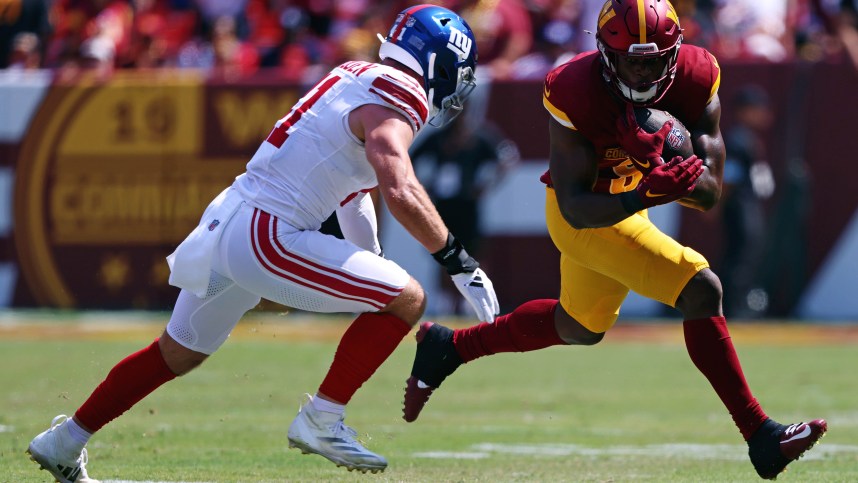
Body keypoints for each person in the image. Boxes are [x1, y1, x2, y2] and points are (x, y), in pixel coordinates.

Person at [26, 4, 498, 481]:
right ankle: (322, 419)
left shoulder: (356, 74)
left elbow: (351, 192)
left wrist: (370, 263)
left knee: (179, 351)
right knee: (408, 298)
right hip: (268, 234)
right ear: (436, 60)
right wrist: (457, 261)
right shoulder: (401, 93)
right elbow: (400, 187)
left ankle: (64, 441)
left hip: (230, 220)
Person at [401, 1, 827, 480]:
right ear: (606, 54)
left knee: (579, 325)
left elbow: (709, 194)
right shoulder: (574, 90)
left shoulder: (697, 73)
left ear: (675, 51)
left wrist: (663, 174)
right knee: (700, 286)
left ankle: (450, 347)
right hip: (586, 217)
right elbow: (576, 207)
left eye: (654, 59)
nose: (644, 72)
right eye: (633, 60)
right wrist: (647, 188)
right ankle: (761, 436)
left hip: (629, 203)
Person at [410, 106, 519, 315]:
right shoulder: (439, 138)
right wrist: (423, 185)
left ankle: (476, 302)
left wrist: (487, 185)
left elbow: (507, 158)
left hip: (468, 204)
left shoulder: (480, 136)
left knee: (473, 252)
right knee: (442, 250)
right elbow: (411, 157)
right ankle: (446, 303)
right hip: (442, 206)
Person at [720, 84, 775, 318]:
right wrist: (717, 204)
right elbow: (729, 177)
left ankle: (738, 305)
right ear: (743, 110)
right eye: (756, 108)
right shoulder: (737, 139)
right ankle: (732, 308)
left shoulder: (748, 138)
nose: (762, 113)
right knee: (740, 256)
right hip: (739, 206)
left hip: (747, 204)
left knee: (747, 254)